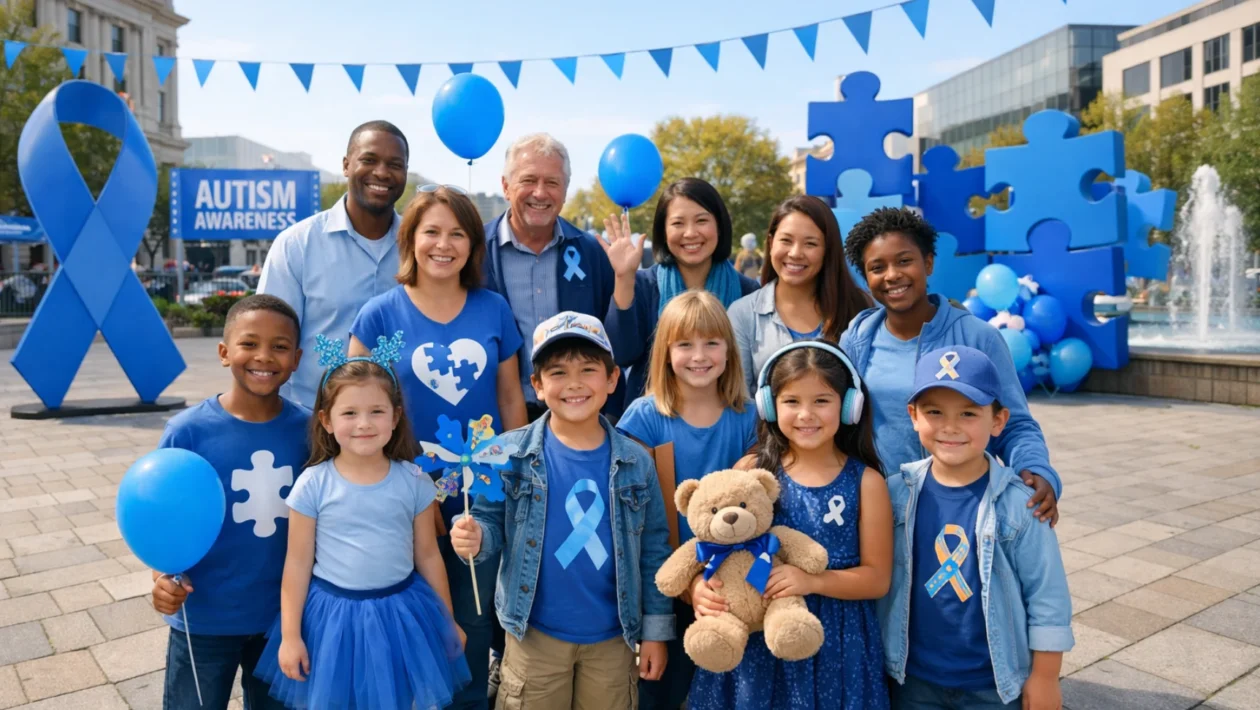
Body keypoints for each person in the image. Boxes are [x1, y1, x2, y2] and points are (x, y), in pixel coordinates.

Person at [349, 184, 525, 710]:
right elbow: (353, 406)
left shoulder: (493, 310)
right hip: (397, 498)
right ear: (410, 239)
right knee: (403, 618)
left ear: (474, 245)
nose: (443, 244)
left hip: (480, 497)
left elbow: (512, 401)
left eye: (457, 233)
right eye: (431, 232)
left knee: (470, 620)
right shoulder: (379, 316)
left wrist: (514, 480)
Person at [449, 312, 673, 709]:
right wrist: (477, 536)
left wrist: (655, 630)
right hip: (534, 635)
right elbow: (488, 521)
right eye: (557, 372)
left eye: (588, 370)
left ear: (612, 379)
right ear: (536, 384)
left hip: (612, 637)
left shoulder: (637, 462)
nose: (573, 384)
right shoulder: (508, 455)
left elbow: (654, 548)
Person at [253, 339, 470, 710]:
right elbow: (297, 563)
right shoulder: (313, 484)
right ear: (326, 419)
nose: (364, 424)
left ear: (396, 415)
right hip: (333, 620)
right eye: (349, 413)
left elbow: (429, 556)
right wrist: (291, 635)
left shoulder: (414, 480)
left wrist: (446, 619)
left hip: (401, 615)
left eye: (376, 411)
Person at [689, 341, 892, 709]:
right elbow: (715, 552)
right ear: (769, 405)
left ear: (849, 406)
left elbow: (877, 579)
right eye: (792, 401)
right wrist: (698, 588)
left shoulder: (866, 483)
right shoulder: (751, 472)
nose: (806, 414)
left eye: (822, 400)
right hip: (756, 641)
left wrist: (813, 581)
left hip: (836, 644)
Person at [840, 207, 1061, 523]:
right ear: (866, 277)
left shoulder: (978, 337)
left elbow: (1015, 424)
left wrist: (1036, 469)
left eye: (904, 261)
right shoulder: (858, 338)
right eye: (877, 267)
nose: (892, 275)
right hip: (878, 511)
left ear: (927, 262)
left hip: (959, 509)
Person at [881, 346, 1073, 708]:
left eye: (968, 413)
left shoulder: (1019, 504)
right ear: (913, 416)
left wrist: (1045, 677)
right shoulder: (895, 494)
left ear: (998, 421)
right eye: (934, 412)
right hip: (913, 678)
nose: (950, 427)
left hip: (992, 683)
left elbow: (1047, 596)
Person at [151, 295, 309, 710]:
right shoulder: (187, 433)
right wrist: (161, 577)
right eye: (249, 343)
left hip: (283, 621)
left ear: (297, 358)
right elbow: (160, 516)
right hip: (204, 616)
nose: (264, 356)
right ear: (224, 353)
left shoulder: (311, 432)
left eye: (279, 346)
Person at [615, 291, 758, 709]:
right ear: (665, 352)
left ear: (730, 351)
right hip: (665, 585)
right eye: (685, 344)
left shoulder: (748, 418)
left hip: (733, 589)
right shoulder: (643, 418)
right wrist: (687, 585)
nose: (700, 355)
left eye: (712, 343)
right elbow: (635, 519)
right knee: (661, 694)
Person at [258, 120, 410, 408]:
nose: (381, 172)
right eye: (369, 160)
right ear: (346, 165)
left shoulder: (418, 248)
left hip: (402, 425)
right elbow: (269, 342)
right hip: (311, 423)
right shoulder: (296, 245)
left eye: (394, 164)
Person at [482, 134, 616, 422]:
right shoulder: (475, 251)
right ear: (506, 186)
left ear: (565, 191)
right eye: (529, 180)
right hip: (495, 419)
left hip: (577, 416)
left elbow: (615, 340)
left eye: (552, 183)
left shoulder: (591, 252)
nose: (540, 193)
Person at [604, 178, 760, 401]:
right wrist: (623, 277)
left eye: (701, 221)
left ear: (719, 225)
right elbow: (621, 353)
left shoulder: (747, 290)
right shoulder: (644, 285)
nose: (690, 233)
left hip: (729, 419)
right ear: (663, 231)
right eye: (678, 224)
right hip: (656, 425)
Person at [728, 195, 871, 395]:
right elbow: (740, 400)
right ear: (770, 242)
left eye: (810, 244)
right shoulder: (742, 314)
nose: (795, 253)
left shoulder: (857, 306)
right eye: (786, 240)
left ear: (827, 250)